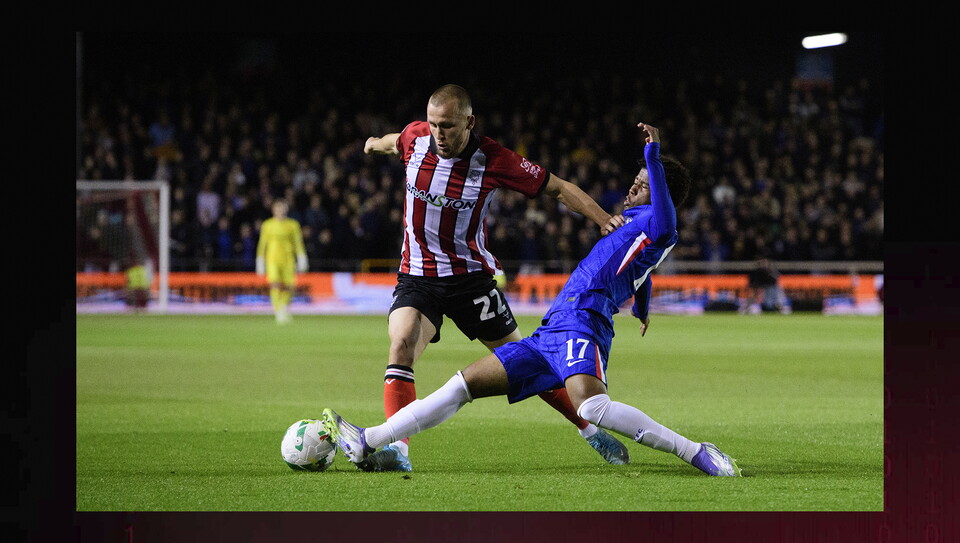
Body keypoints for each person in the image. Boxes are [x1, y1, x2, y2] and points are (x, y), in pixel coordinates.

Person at [324, 123, 741, 477]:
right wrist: (644, 306)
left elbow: (664, 225)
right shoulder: (634, 224)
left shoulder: (661, 225)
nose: (634, 187)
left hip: (585, 321)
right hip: (552, 328)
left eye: (644, 184)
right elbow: (640, 271)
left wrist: (653, 154)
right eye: (636, 180)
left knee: (592, 405)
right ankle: (368, 440)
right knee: (462, 386)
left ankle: (697, 452)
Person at [358, 83, 630, 471]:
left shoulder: (495, 159)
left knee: (528, 364)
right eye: (434, 124)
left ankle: (589, 428)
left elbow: (557, 188)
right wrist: (371, 143)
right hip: (417, 277)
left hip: (471, 282)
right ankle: (397, 449)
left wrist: (604, 219)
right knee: (400, 344)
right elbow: (391, 142)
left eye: (448, 126)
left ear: (469, 122)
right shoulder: (415, 138)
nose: (440, 133)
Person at [255, 198, 308, 324]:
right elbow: (263, 243)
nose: (280, 211)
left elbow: (298, 242)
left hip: (288, 259)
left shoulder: (293, 224)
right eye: (277, 208)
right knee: (275, 284)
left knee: (291, 286)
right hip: (272, 259)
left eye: (282, 208)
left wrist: (302, 257)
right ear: (273, 210)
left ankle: (283, 306)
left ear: (286, 209)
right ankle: (278, 310)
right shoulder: (267, 225)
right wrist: (260, 259)